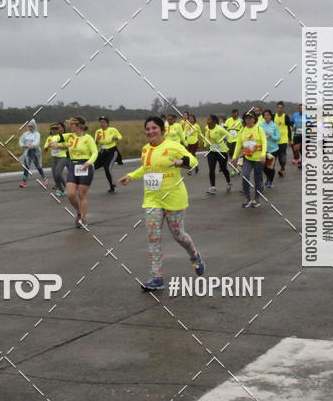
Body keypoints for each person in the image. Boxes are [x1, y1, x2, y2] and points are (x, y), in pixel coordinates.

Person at [118, 116, 204, 290]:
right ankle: (156, 277)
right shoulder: (145, 149)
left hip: (174, 197)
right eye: (147, 129)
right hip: (152, 199)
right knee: (153, 237)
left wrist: (182, 162)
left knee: (178, 235)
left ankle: (194, 255)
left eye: (154, 128)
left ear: (162, 130)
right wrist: (130, 176)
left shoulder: (173, 146)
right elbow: (146, 168)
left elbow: (194, 161)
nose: (150, 131)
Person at [59, 116, 98, 227]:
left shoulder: (88, 138)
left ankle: (83, 219)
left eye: (72, 124)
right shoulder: (70, 136)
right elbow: (56, 137)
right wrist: (53, 143)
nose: (70, 126)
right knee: (70, 194)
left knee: (81, 194)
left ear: (78, 125)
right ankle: (79, 212)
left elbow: (95, 152)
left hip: (85, 167)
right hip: (73, 166)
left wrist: (88, 163)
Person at [231, 111, 267, 208]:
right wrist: (234, 157)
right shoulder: (242, 130)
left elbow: (264, 142)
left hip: (258, 159)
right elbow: (238, 144)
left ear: (254, 119)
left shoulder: (259, 129)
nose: (248, 120)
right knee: (245, 176)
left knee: (257, 179)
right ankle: (248, 199)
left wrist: (263, 154)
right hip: (248, 158)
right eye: (246, 118)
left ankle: (256, 199)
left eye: (250, 118)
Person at [94, 116, 123, 192]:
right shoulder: (98, 131)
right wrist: (97, 140)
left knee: (107, 168)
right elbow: (95, 143)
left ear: (107, 123)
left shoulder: (112, 130)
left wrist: (116, 138)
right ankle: (111, 186)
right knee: (102, 168)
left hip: (112, 152)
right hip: (102, 152)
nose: (102, 124)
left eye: (104, 122)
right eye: (101, 122)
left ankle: (113, 186)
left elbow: (120, 136)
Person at [204, 115, 231, 193]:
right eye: (207, 119)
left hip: (221, 151)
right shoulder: (207, 129)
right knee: (211, 169)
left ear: (214, 121)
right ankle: (213, 187)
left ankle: (228, 182)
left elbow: (229, 136)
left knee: (223, 168)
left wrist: (229, 144)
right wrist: (206, 146)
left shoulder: (219, 129)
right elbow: (206, 138)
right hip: (212, 151)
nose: (207, 121)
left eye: (209, 120)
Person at [18, 120, 47, 188]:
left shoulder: (37, 134)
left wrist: (32, 145)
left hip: (35, 152)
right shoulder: (25, 134)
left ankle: (44, 179)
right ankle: (24, 182)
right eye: (29, 126)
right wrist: (22, 145)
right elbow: (21, 140)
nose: (30, 127)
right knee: (26, 166)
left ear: (34, 126)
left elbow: (37, 141)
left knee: (38, 166)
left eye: (31, 126)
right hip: (27, 152)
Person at [44, 122, 69, 196]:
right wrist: (47, 147)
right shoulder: (49, 138)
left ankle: (66, 186)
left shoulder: (61, 137)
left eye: (56, 129)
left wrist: (58, 146)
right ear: (51, 130)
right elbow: (45, 149)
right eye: (53, 129)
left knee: (58, 173)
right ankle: (60, 190)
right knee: (55, 175)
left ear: (58, 130)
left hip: (62, 157)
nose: (54, 131)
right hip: (54, 157)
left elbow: (68, 147)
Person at [260, 109, 280, 188]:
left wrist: (271, 136)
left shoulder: (274, 126)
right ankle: (268, 179)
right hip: (264, 150)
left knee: (270, 167)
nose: (266, 116)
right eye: (265, 115)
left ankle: (270, 181)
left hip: (273, 149)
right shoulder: (260, 126)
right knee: (264, 167)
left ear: (271, 116)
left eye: (268, 115)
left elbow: (278, 138)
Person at [273, 102, 291, 176]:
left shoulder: (286, 117)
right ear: (276, 108)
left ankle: (282, 168)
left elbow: (289, 128)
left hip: (283, 139)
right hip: (274, 139)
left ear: (283, 108)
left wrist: (290, 139)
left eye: (281, 108)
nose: (279, 109)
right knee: (274, 155)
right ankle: (271, 169)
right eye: (278, 107)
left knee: (282, 155)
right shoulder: (274, 116)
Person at [290, 104, 305, 169]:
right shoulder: (295, 115)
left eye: (302, 108)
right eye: (300, 108)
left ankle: (301, 162)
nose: (301, 110)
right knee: (295, 149)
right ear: (298, 109)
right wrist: (292, 127)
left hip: (304, 135)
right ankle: (297, 158)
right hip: (296, 135)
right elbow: (291, 123)